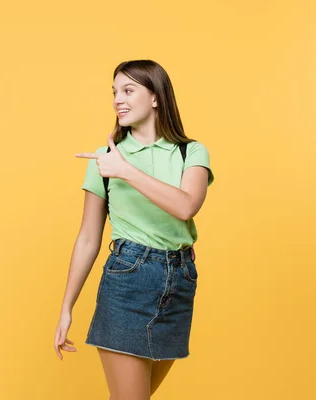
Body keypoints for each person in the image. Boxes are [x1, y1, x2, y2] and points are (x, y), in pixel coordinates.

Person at [53, 59, 214, 400]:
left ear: (156, 97)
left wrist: (125, 171)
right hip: (128, 278)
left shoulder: (190, 152)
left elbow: (186, 205)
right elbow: (87, 238)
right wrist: (67, 307)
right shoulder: (105, 159)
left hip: (179, 281)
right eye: (114, 92)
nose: (117, 100)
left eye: (128, 90)